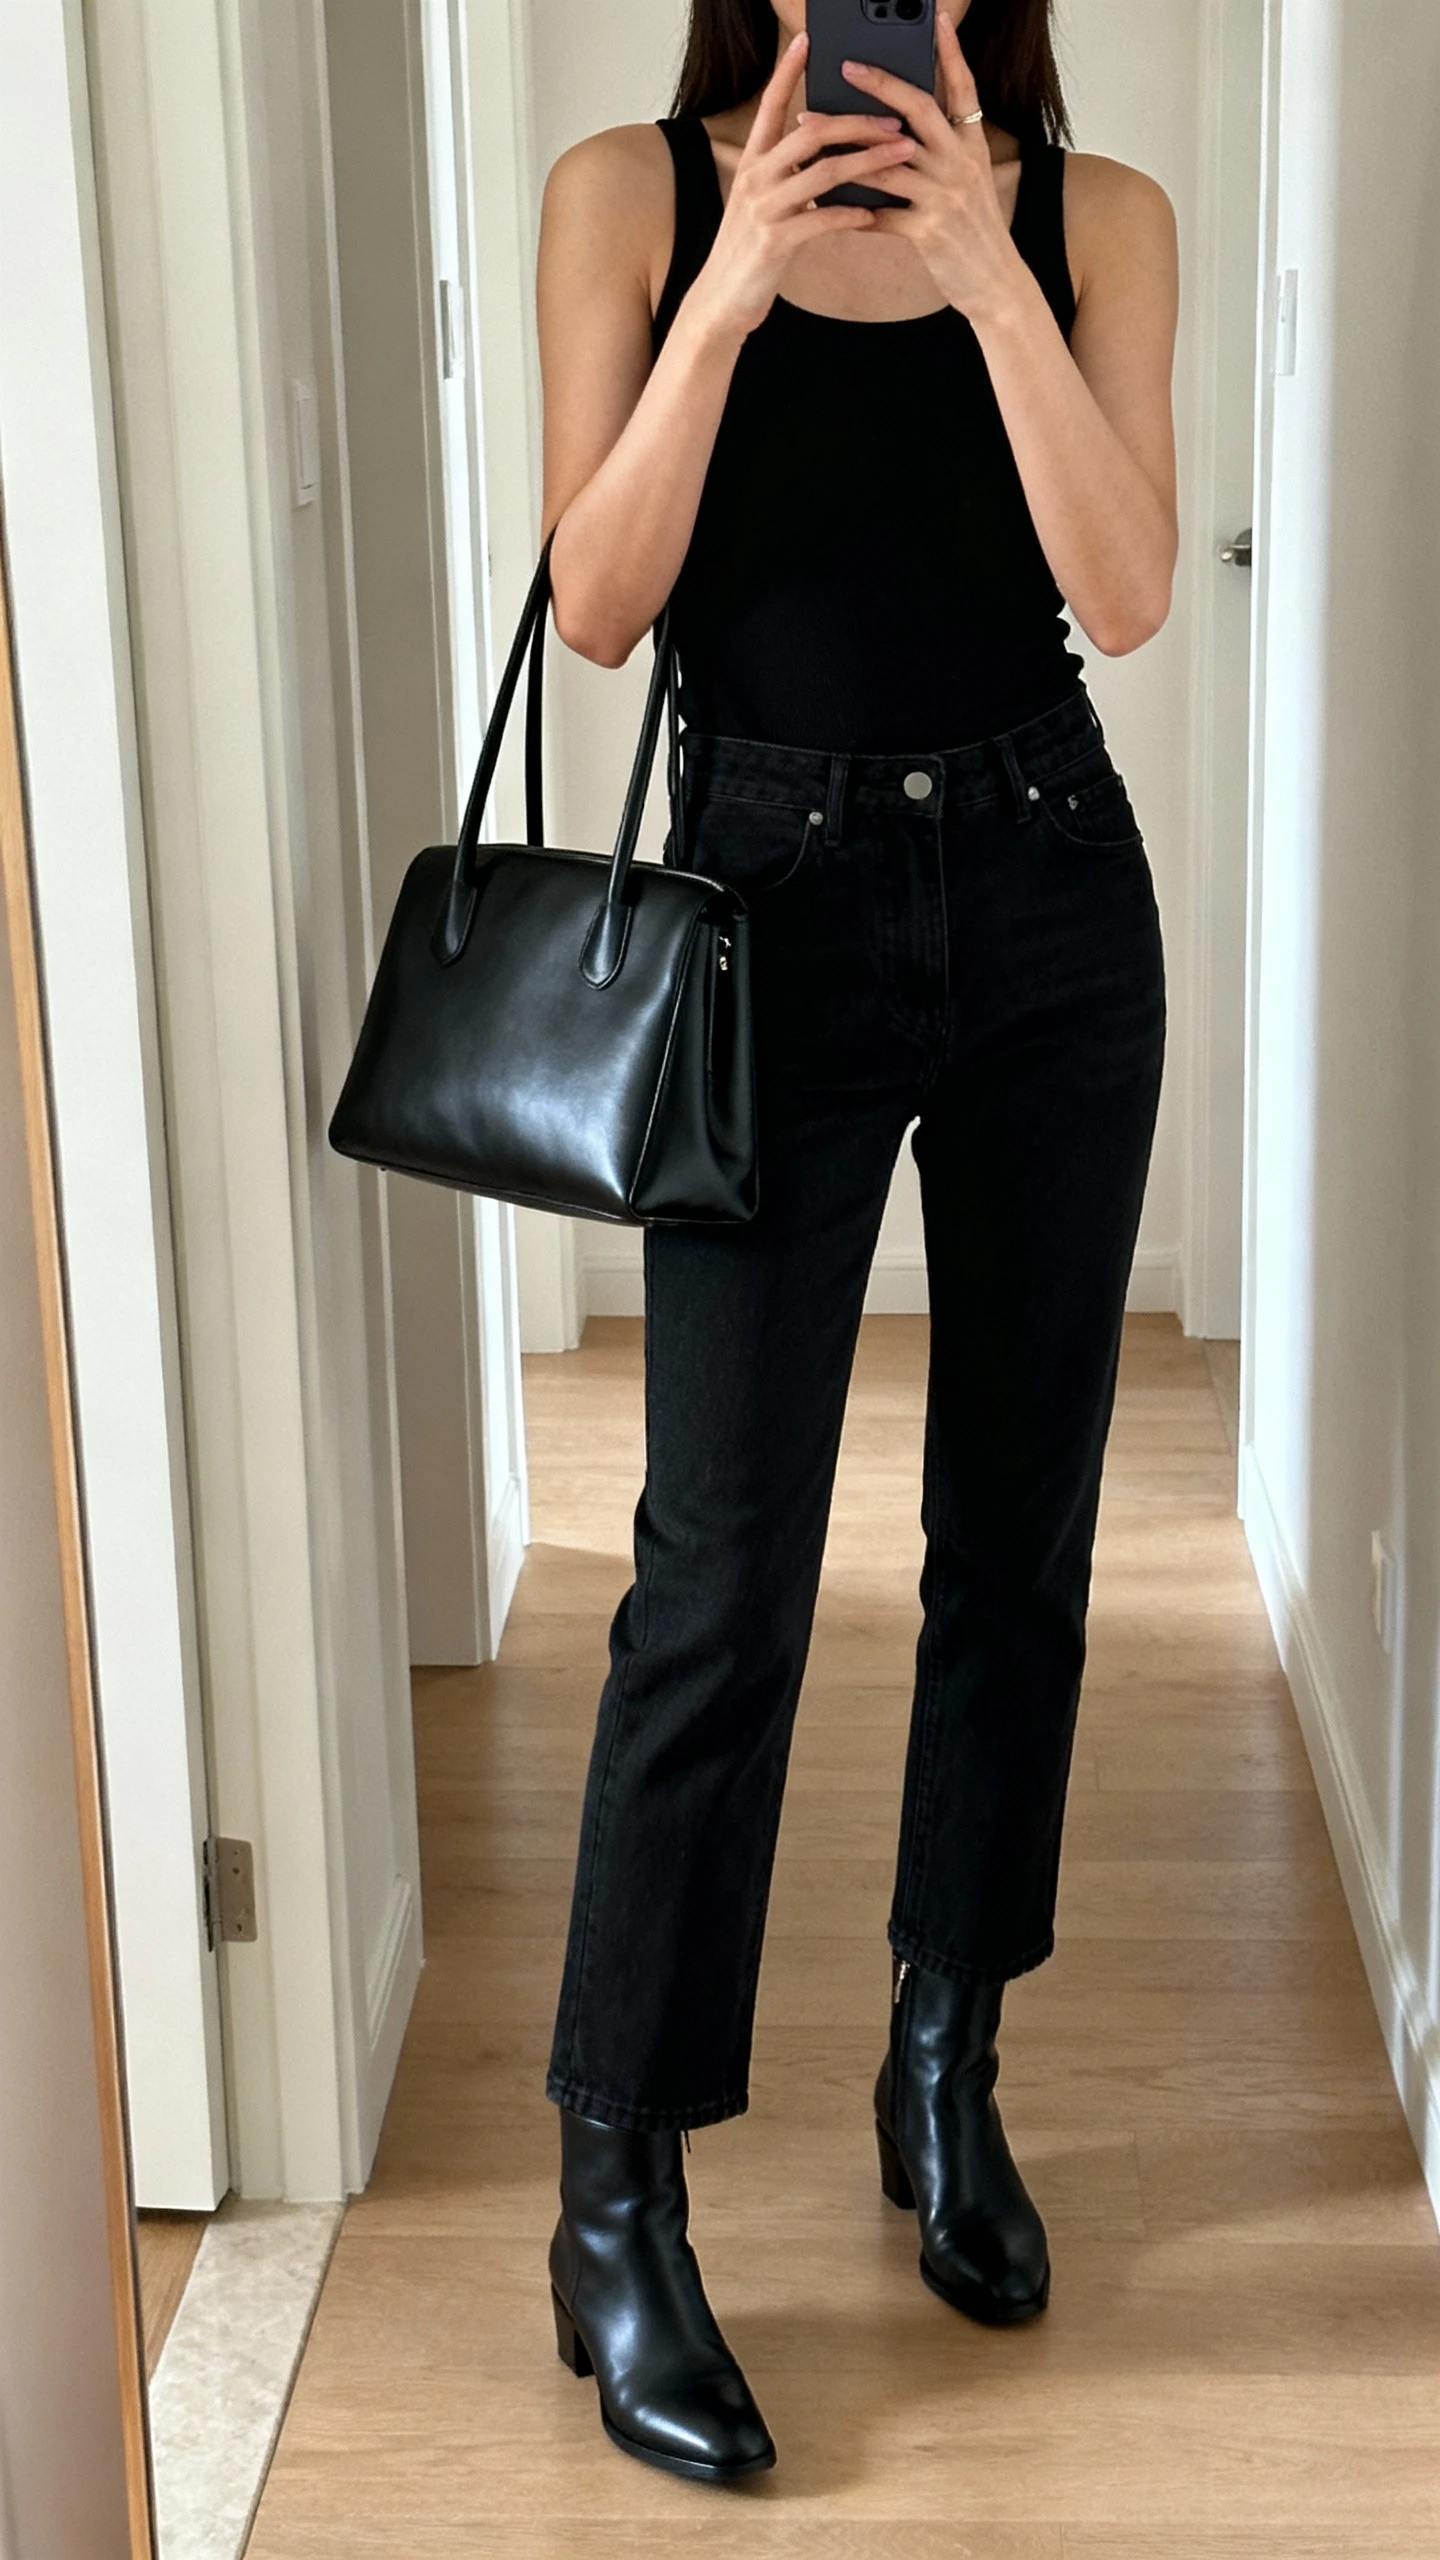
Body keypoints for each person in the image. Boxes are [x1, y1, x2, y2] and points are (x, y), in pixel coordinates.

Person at [535, 0, 1177, 2484]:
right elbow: (596, 602)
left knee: (1014, 1535)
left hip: (1045, 895)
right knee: (716, 1582)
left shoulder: (1097, 214)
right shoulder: (628, 188)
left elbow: (1121, 595)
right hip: (760, 918)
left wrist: (997, 276)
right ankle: (620, 2192)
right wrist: (735, 283)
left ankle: (946, 2057)